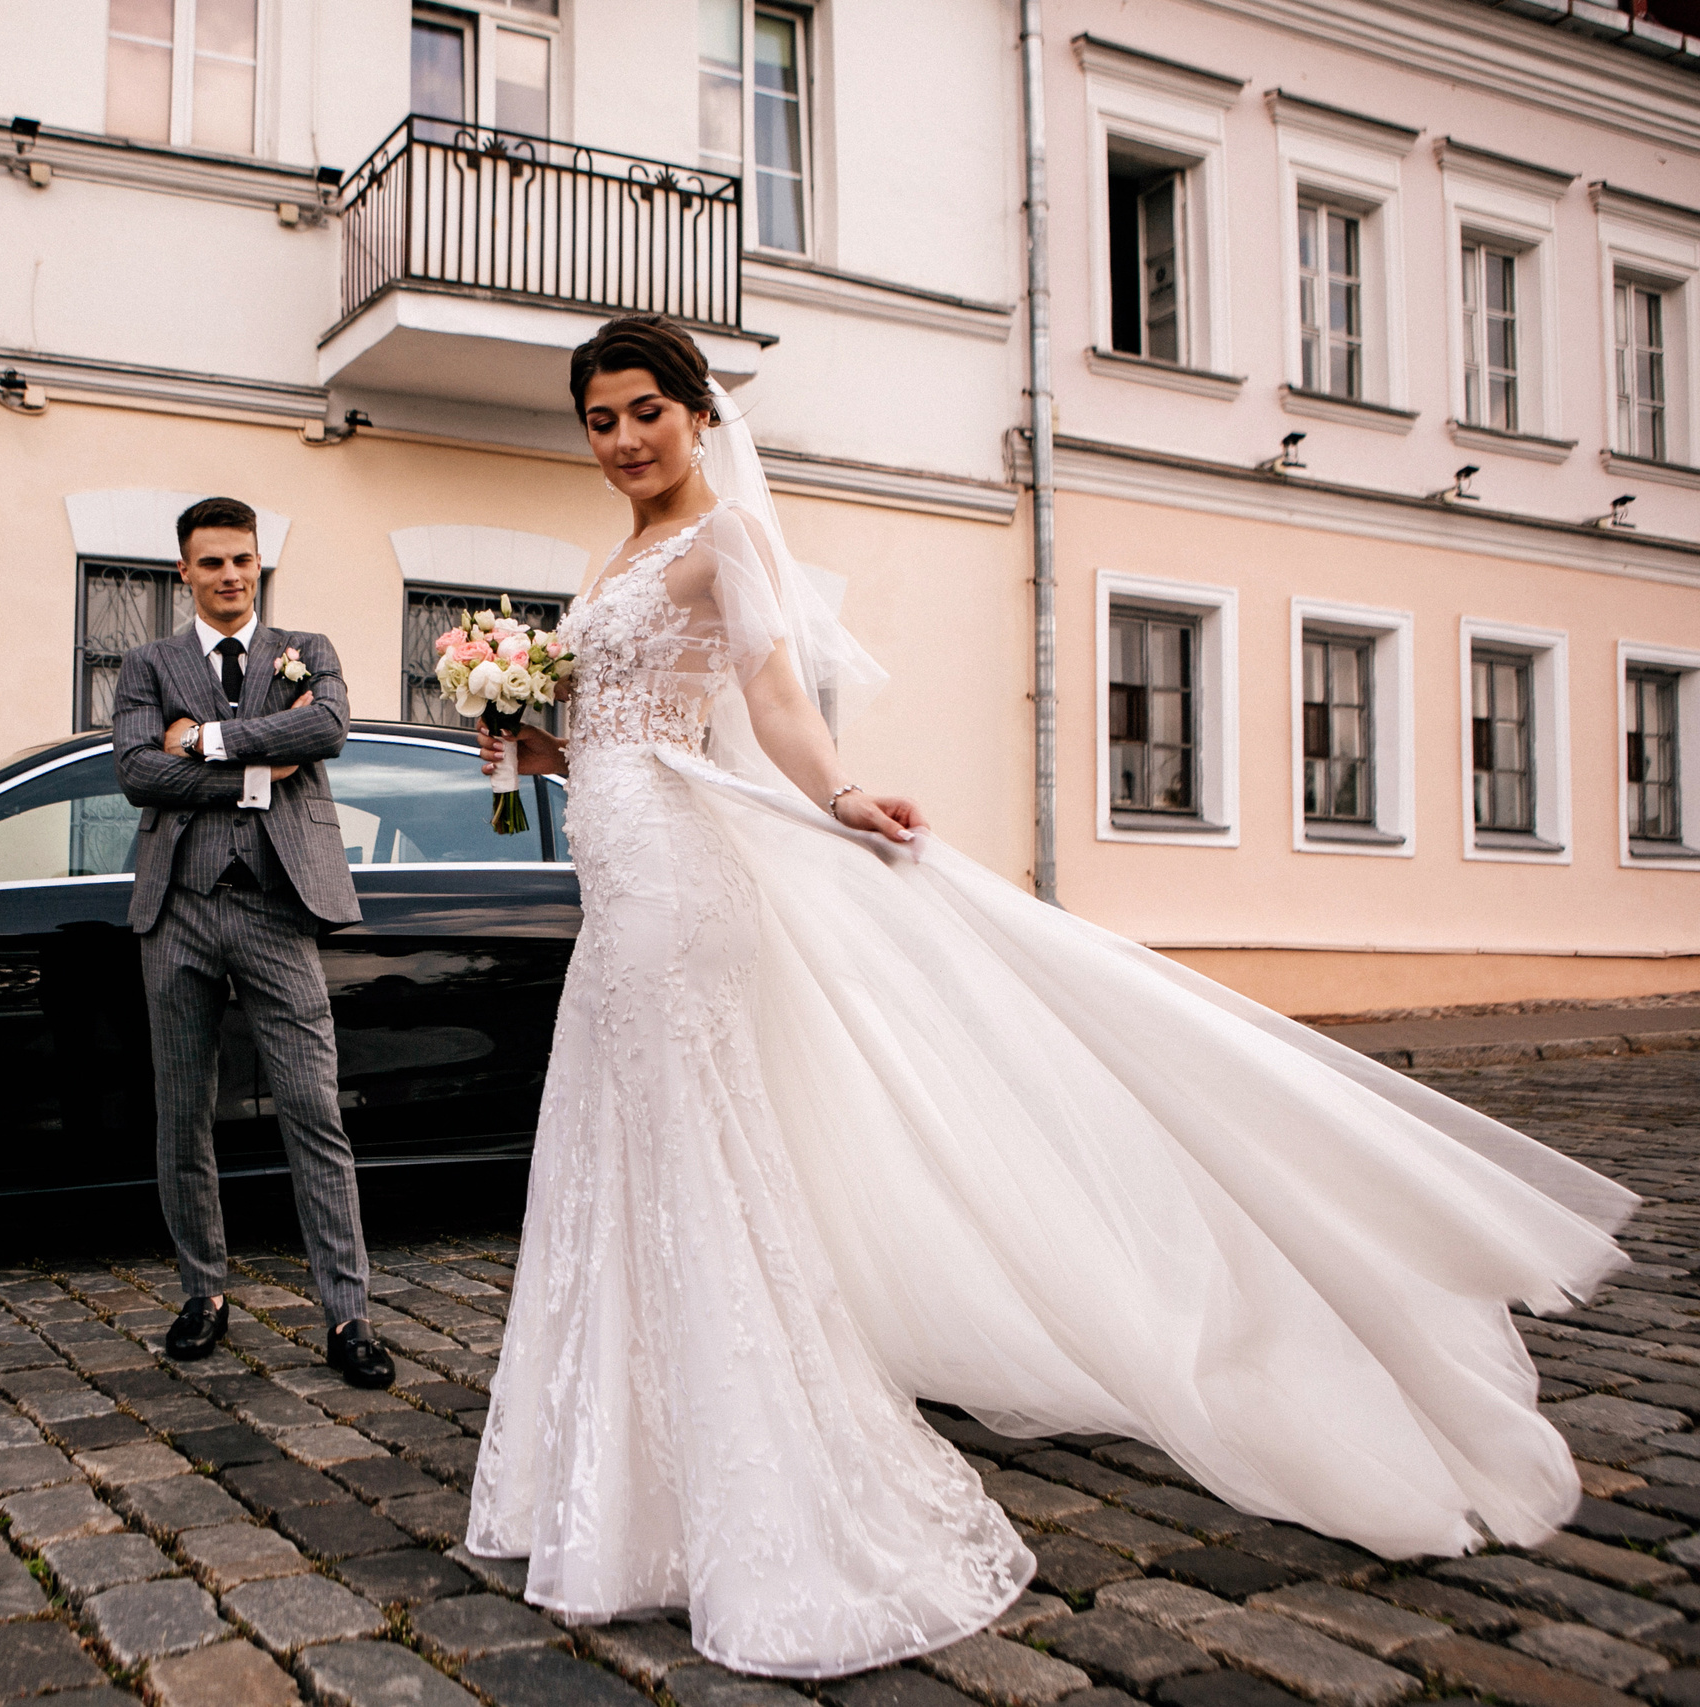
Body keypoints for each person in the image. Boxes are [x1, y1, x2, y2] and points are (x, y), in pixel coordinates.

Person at [462, 315, 1637, 1678]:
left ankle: (739, 1485)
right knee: (623, 1160)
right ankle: (621, 1477)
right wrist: (538, 739)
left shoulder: (724, 537)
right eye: (599, 420)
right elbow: (622, 730)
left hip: (677, 889)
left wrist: (840, 789)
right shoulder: (618, 555)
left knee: (695, 1165)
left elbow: (774, 699)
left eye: (643, 412)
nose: (621, 440)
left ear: (696, 413)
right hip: (616, 887)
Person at [111, 495, 395, 1391]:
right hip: (178, 910)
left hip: (279, 910)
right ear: (183, 572)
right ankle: (204, 1292)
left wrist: (210, 740)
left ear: (257, 565)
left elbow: (328, 728)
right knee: (182, 1113)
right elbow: (134, 771)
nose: (230, 575)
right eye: (212, 562)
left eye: (243, 560)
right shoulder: (148, 664)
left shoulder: (307, 650)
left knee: (315, 1110)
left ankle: (347, 1312)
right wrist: (252, 774)